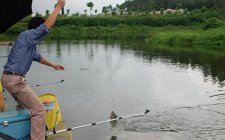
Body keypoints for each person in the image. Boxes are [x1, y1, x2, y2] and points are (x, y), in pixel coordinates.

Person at [1, 0, 65, 139]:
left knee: (25, 108)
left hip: (9, 79)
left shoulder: (27, 41)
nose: (44, 35)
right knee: (39, 110)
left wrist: (53, 65)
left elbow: (37, 57)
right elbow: (46, 26)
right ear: (36, 30)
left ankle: (23, 133)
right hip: (15, 80)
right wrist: (58, 7)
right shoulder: (28, 36)